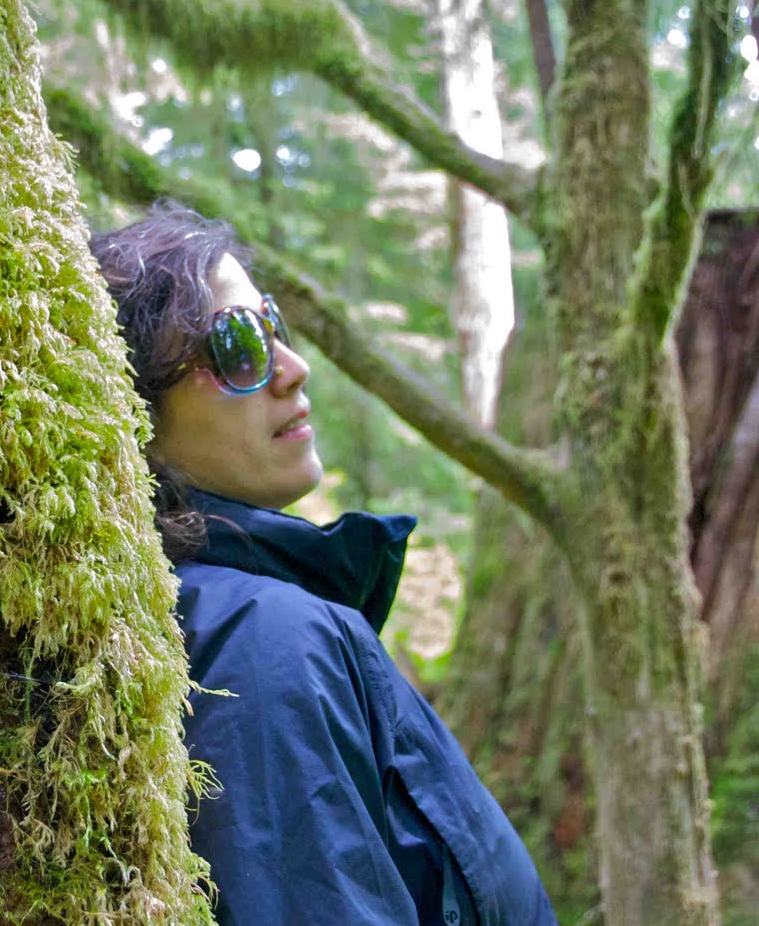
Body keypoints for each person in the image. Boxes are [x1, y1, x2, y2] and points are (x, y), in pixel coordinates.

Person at [91, 204, 556, 925]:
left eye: (270, 326)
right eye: (236, 346)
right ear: (136, 412)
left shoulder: (247, 617)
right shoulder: (263, 642)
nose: (292, 367)